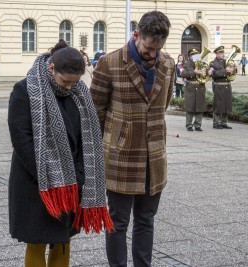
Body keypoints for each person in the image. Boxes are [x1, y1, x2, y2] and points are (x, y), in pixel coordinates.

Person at [8, 39, 113, 267]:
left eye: (74, 83)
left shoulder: (78, 92)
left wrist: (78, 174)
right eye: (65, 82)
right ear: (52, 68)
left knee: (63, 239)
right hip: (36, 181)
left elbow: (87, 137)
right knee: (36, 240)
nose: (69, 87)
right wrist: (50, 175)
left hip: (73, 179)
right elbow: (21, 139)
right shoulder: (25, 90)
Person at [90, 11, 174, 267]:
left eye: (158, 49)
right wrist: (116, 139)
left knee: (146, 221)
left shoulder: (167, 63)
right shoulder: (110, 62)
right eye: (149, 48)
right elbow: (96, 112)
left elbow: (165, 103)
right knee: (117, 222)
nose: (153, 54)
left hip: (154, 158)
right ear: (137, 35)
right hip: (120, 157)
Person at [181, 48, 207, 131]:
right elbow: (183, 74)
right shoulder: (187, 64)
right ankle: (189, 125)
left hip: (200, 87)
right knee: (190, 107)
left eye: (196, 54)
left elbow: (205, 75)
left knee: (200, 107)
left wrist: (206, 73)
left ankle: (198, 125)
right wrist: (194, 72)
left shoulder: (202, 64)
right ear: (190, 56)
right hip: (190, 88)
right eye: (193, 55)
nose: (195, 56)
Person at [210, 46, 235, 129]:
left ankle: (224, 122)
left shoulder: (226, 61)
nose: (222, 54)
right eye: (220, 53)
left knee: (226, 104)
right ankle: (216, 123)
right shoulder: (212, 63)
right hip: (219, 86)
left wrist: (234, 69)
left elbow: (231, 71)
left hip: (227, 85)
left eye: (223, 53)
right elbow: (214, 74)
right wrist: (225, 70)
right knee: (218, 104)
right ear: (217, 54)